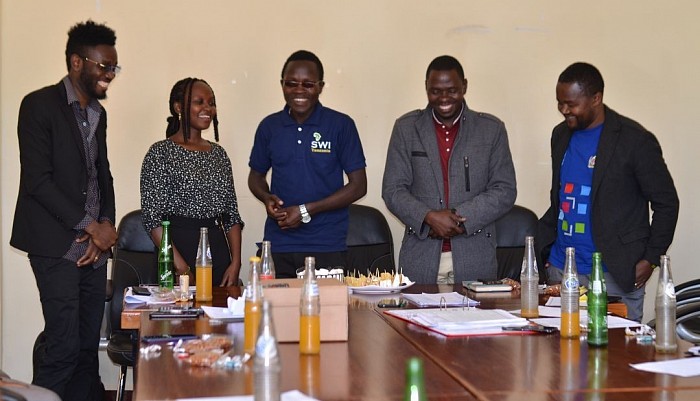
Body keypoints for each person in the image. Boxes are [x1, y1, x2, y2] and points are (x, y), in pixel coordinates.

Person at [10, 20, 119, 400]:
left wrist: (106, 227)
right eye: (103, 66)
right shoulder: (38, 105)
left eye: (113, 68)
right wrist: (92, 226)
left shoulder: (98, 116)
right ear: (77, 62)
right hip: (55, 244)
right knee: (63, 345)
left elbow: (102, 175)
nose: (109, 75)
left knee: (88, 346)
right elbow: (38, 182)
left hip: (93, 246)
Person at [536, 62, 679, 322]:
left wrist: (650, 259)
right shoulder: (560, 135)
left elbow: (667, 203)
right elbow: (561, 197)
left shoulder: (634, 140)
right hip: (562, 269)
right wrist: (546, 253)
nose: (564, 110)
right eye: (560, 103)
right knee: (560, 355)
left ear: (596, 98)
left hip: (613, 272)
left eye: (571, 104)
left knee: (615, 358)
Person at [382, 55, 517, 284]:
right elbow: (393, 190)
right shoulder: (406, 128)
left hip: (476, 259)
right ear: (426, 88)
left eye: (452, 90)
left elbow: (504, 190)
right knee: (417, 321)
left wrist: (459, 220)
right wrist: (429, 217)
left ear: (464, 86)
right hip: (420, 259)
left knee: (475, 318)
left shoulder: (491, 130)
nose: (444, 98)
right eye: (435, 91)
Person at [248, 50, 367, 277]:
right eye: (291, 83)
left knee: (326, 312)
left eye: (308, 84)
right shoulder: (269, 126)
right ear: (282, 85)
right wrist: (266, 197)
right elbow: (255, 177)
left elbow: (359, 185)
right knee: (276, 311)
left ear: (321, 86)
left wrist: (304, 210)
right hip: (278, 244)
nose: (299, 90)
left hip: (327, 245)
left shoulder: (341, 125)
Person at [140, 78, 244, 287]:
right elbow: (153, 220)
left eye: (211, 103)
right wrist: (182, 268)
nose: (208, 108)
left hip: (217, 252)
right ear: (179, 107)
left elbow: (232, 215)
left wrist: (236, 263)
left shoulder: (219, 155)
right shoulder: (160, 153)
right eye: (199, 102)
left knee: (219, 318)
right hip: (177, 252)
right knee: (179, 318)